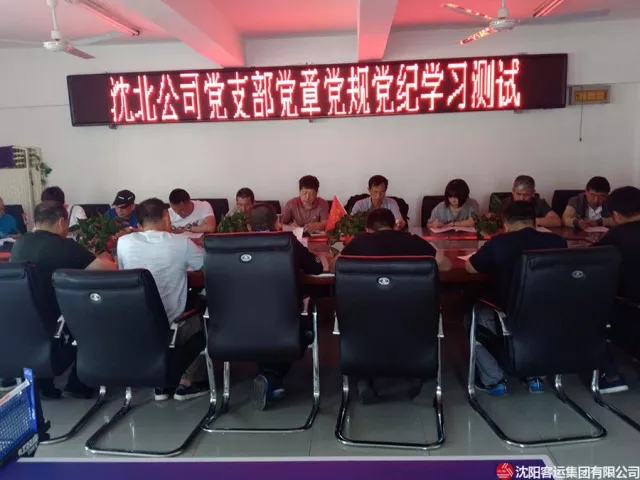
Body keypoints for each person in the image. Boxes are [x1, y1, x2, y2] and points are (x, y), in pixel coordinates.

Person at [338, 207, 451, 403]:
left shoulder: (359, 243)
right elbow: (446, 265)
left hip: (366, 320)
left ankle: (364, 378)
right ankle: (416, 374)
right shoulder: (413, 241)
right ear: (394, 225)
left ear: (368, 229)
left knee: (366, 320)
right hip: (412, 318)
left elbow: (335, 266)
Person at [10, 201, 117, 399]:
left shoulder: (20, 243)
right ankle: (78, 384)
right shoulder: (64, 246)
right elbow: (108, 270)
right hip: (57, 319)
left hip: (24, 319)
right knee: (99, 314)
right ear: (61, 222)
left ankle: (43, 382)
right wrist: (105, 257)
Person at [464, 200, 567, 396]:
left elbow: (470, 268)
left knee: (473, 317)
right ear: (534, 221)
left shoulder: (499, 243)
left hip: (508, 316)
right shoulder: (558, 242)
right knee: (536, 320)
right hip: (549, 315)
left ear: (506, 223)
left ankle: (494, 381)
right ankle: (535, 377)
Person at [117, 198, 209, 402]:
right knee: (204, 313)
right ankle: (187, 382)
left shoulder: (123, 243)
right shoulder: (181, 243)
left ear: (139, 221)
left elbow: (125, 273)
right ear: (167, 216)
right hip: (174, 325)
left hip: (137, 324)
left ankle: (160, 382)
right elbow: (209, 268)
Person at [246, 202, 328, 411]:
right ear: (277, 224)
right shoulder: (287, 242)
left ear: (248, 227)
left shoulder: (232, 245)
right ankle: (271, 377)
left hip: (240, 326)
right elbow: (316, 268)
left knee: (262, 324)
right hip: (285, 324)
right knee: (296, 324)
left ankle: (269, 377)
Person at [592, 186, 640, 394]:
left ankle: (610, 375)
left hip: (631, 313)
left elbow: (590, 261)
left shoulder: (618, 235)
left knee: (581, 304)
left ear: (616, 216)